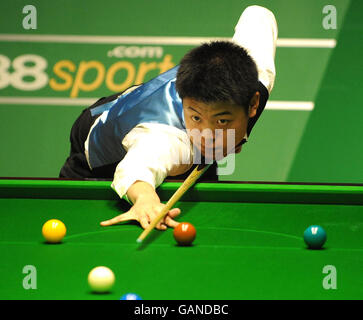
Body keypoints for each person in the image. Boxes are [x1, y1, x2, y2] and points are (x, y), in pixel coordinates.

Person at [59, 5, 278, 231]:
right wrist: (145, 199)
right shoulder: (166, 139)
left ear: (253, 104)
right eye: (196, 118)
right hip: (100, 143)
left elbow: (258, 15)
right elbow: (137, 168)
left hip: (138, 102)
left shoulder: (254, 76)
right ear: (184, 102)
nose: (207, 135)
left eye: (222, 121)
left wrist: (231, 139)